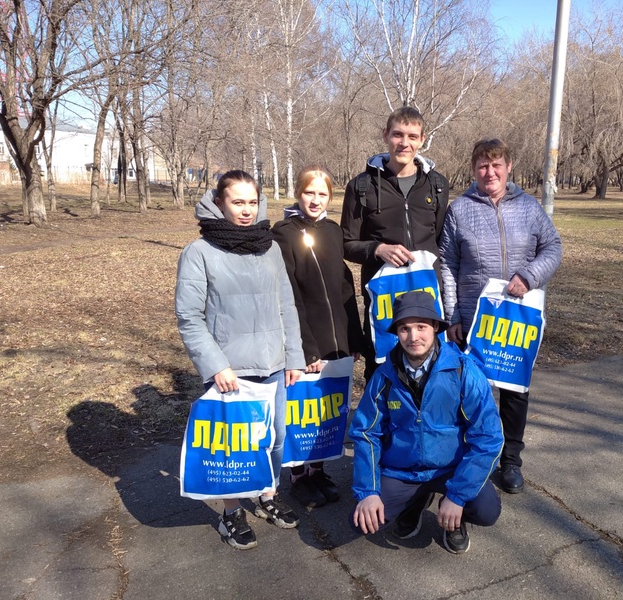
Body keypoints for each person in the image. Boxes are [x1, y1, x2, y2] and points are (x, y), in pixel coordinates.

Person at [175, 169, 306, 550]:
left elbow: (287, 306)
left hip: (274, 366)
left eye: (252, 202)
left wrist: (294, 357)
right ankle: (231, 512)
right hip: (229, 372)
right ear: (219, 203)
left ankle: (267, 497)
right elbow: (190, 317)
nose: (246, 210)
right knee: (233, 448)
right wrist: (216, 365)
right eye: (237, 202)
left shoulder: (270, 248)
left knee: (275, 441)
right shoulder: (198, 253)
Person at [438, 138, 562, 494]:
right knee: (471, 391)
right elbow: (447, 263)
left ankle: (510, 460)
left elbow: (553, 247)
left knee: (513, 392)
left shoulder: (529, 207)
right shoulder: (460, 210)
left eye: (496, 165)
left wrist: (530, 276)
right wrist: (452, 316)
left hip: (516, 318)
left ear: (509, 167)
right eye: (482, 165)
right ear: (473, 169)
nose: (489, 172)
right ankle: (468, 457)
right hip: (474, 320)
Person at [348, 291, 503, 554]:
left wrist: (457, 496)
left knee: (487, 511)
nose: (413, 337)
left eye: (421, 327)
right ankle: (415, 501)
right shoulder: (383, 377)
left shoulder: (463, 370)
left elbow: (489, 437)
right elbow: (366, 433)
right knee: (363, 522)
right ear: (397, 332)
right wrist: (367, 491)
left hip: (451, 468)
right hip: (403, 470)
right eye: (405, 329)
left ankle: (455, 519)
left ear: (435, 328)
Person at [272, 166, 365, 508]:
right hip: (305, 336)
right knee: (302, 409)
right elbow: (289, 294)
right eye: (309, 192)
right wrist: (305, 347)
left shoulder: (332, 231)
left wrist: (354, 339)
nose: (315, 199)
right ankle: (298, 475)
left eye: (322, 193)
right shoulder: (282, 233)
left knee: (327, 408)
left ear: (330, 196)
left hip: (336, 335)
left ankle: (317, 469)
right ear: (298, 192)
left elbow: (344, 287)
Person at [341, 107, 450, 380]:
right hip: (383, 295)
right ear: (385, 136)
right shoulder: (362, 186)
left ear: (422, 139)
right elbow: (346, 243)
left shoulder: (436, 185)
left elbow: (438, 239)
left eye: (412, 136)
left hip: (426, 292)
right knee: (382, 368)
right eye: (398, 134)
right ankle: (379, 422)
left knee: (430, 368)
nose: (405, 143)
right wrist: (377, 250)